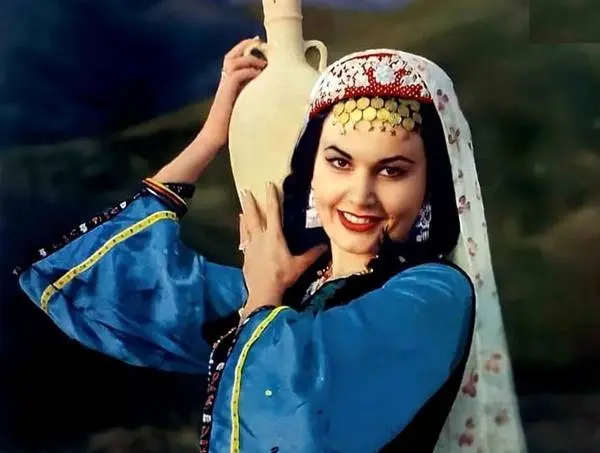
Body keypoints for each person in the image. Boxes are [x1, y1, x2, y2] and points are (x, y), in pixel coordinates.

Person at [13, 39, 527, 452]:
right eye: (340, 162)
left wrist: (262, 296)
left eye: (392, 171)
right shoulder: (296, 285)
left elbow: (299, 412)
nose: (360, 195)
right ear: (311, 169)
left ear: (430, 185)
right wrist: (214, 135)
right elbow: (116, 287)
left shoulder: (434, 294)